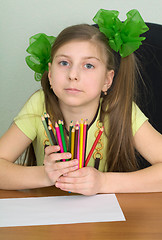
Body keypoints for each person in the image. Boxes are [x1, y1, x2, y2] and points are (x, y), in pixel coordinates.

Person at [0, 9, 162, 195]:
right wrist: (44, 175)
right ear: (50, 73)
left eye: (88, 65)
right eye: (64, 63)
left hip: (103, 218)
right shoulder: (39, 104)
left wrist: (103, 183)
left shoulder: (120, 110)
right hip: (49, 215)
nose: (73, 75)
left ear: (107, 80)